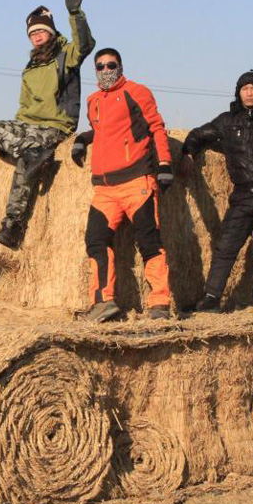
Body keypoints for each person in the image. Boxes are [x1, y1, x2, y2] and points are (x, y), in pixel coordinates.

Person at [0, 0, 95, 248]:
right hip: (29, 127)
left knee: (23, 165)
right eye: (33, 32)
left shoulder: (66, 55)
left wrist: (76, 14)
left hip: (55, 127)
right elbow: (23, 107)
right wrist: (16, 138)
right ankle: (31, 153)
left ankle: (12, 226)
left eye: (42, 30)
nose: (37, 35)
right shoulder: (29, 68)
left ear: (51, 32)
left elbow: (85, 45)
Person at [180, 70, 253, 318]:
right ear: (238, 92)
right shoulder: (226, 121)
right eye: (245, 88)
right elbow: (198, 134)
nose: (249, 92)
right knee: (225, 247)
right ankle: (211, 298)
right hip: (244, 196)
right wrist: (188, 152)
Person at [71, 48, 174, 322]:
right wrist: (83, 139)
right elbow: (107, 130)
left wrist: (164, 164)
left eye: (111, 65)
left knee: (149, 242)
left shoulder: (137, 91)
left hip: (135, 181)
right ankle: (103, 303)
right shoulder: (93, 100)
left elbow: (155, 127)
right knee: (95, 241)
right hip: (104, 188)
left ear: (120, 66)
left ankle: (160, 304)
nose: (106, 70)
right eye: (101, 67)